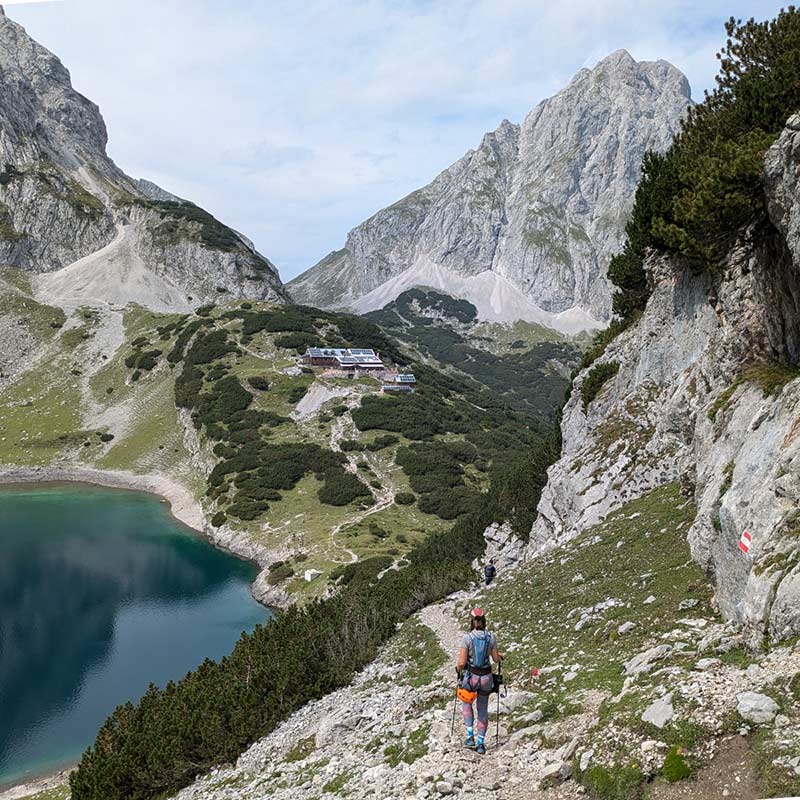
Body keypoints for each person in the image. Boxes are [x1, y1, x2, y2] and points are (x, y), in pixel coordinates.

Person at [456, 607, 501, 755]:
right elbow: (495, 659)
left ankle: (470, 736)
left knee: (467, 702)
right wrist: (499, 656)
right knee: (482, 708)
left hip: (472, 677)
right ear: (484, 620)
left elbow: (462, 663)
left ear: (472, 621)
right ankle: (481, 743)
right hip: (487, 678)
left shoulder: (467, 638)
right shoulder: (491, 637)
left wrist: (457, 668)